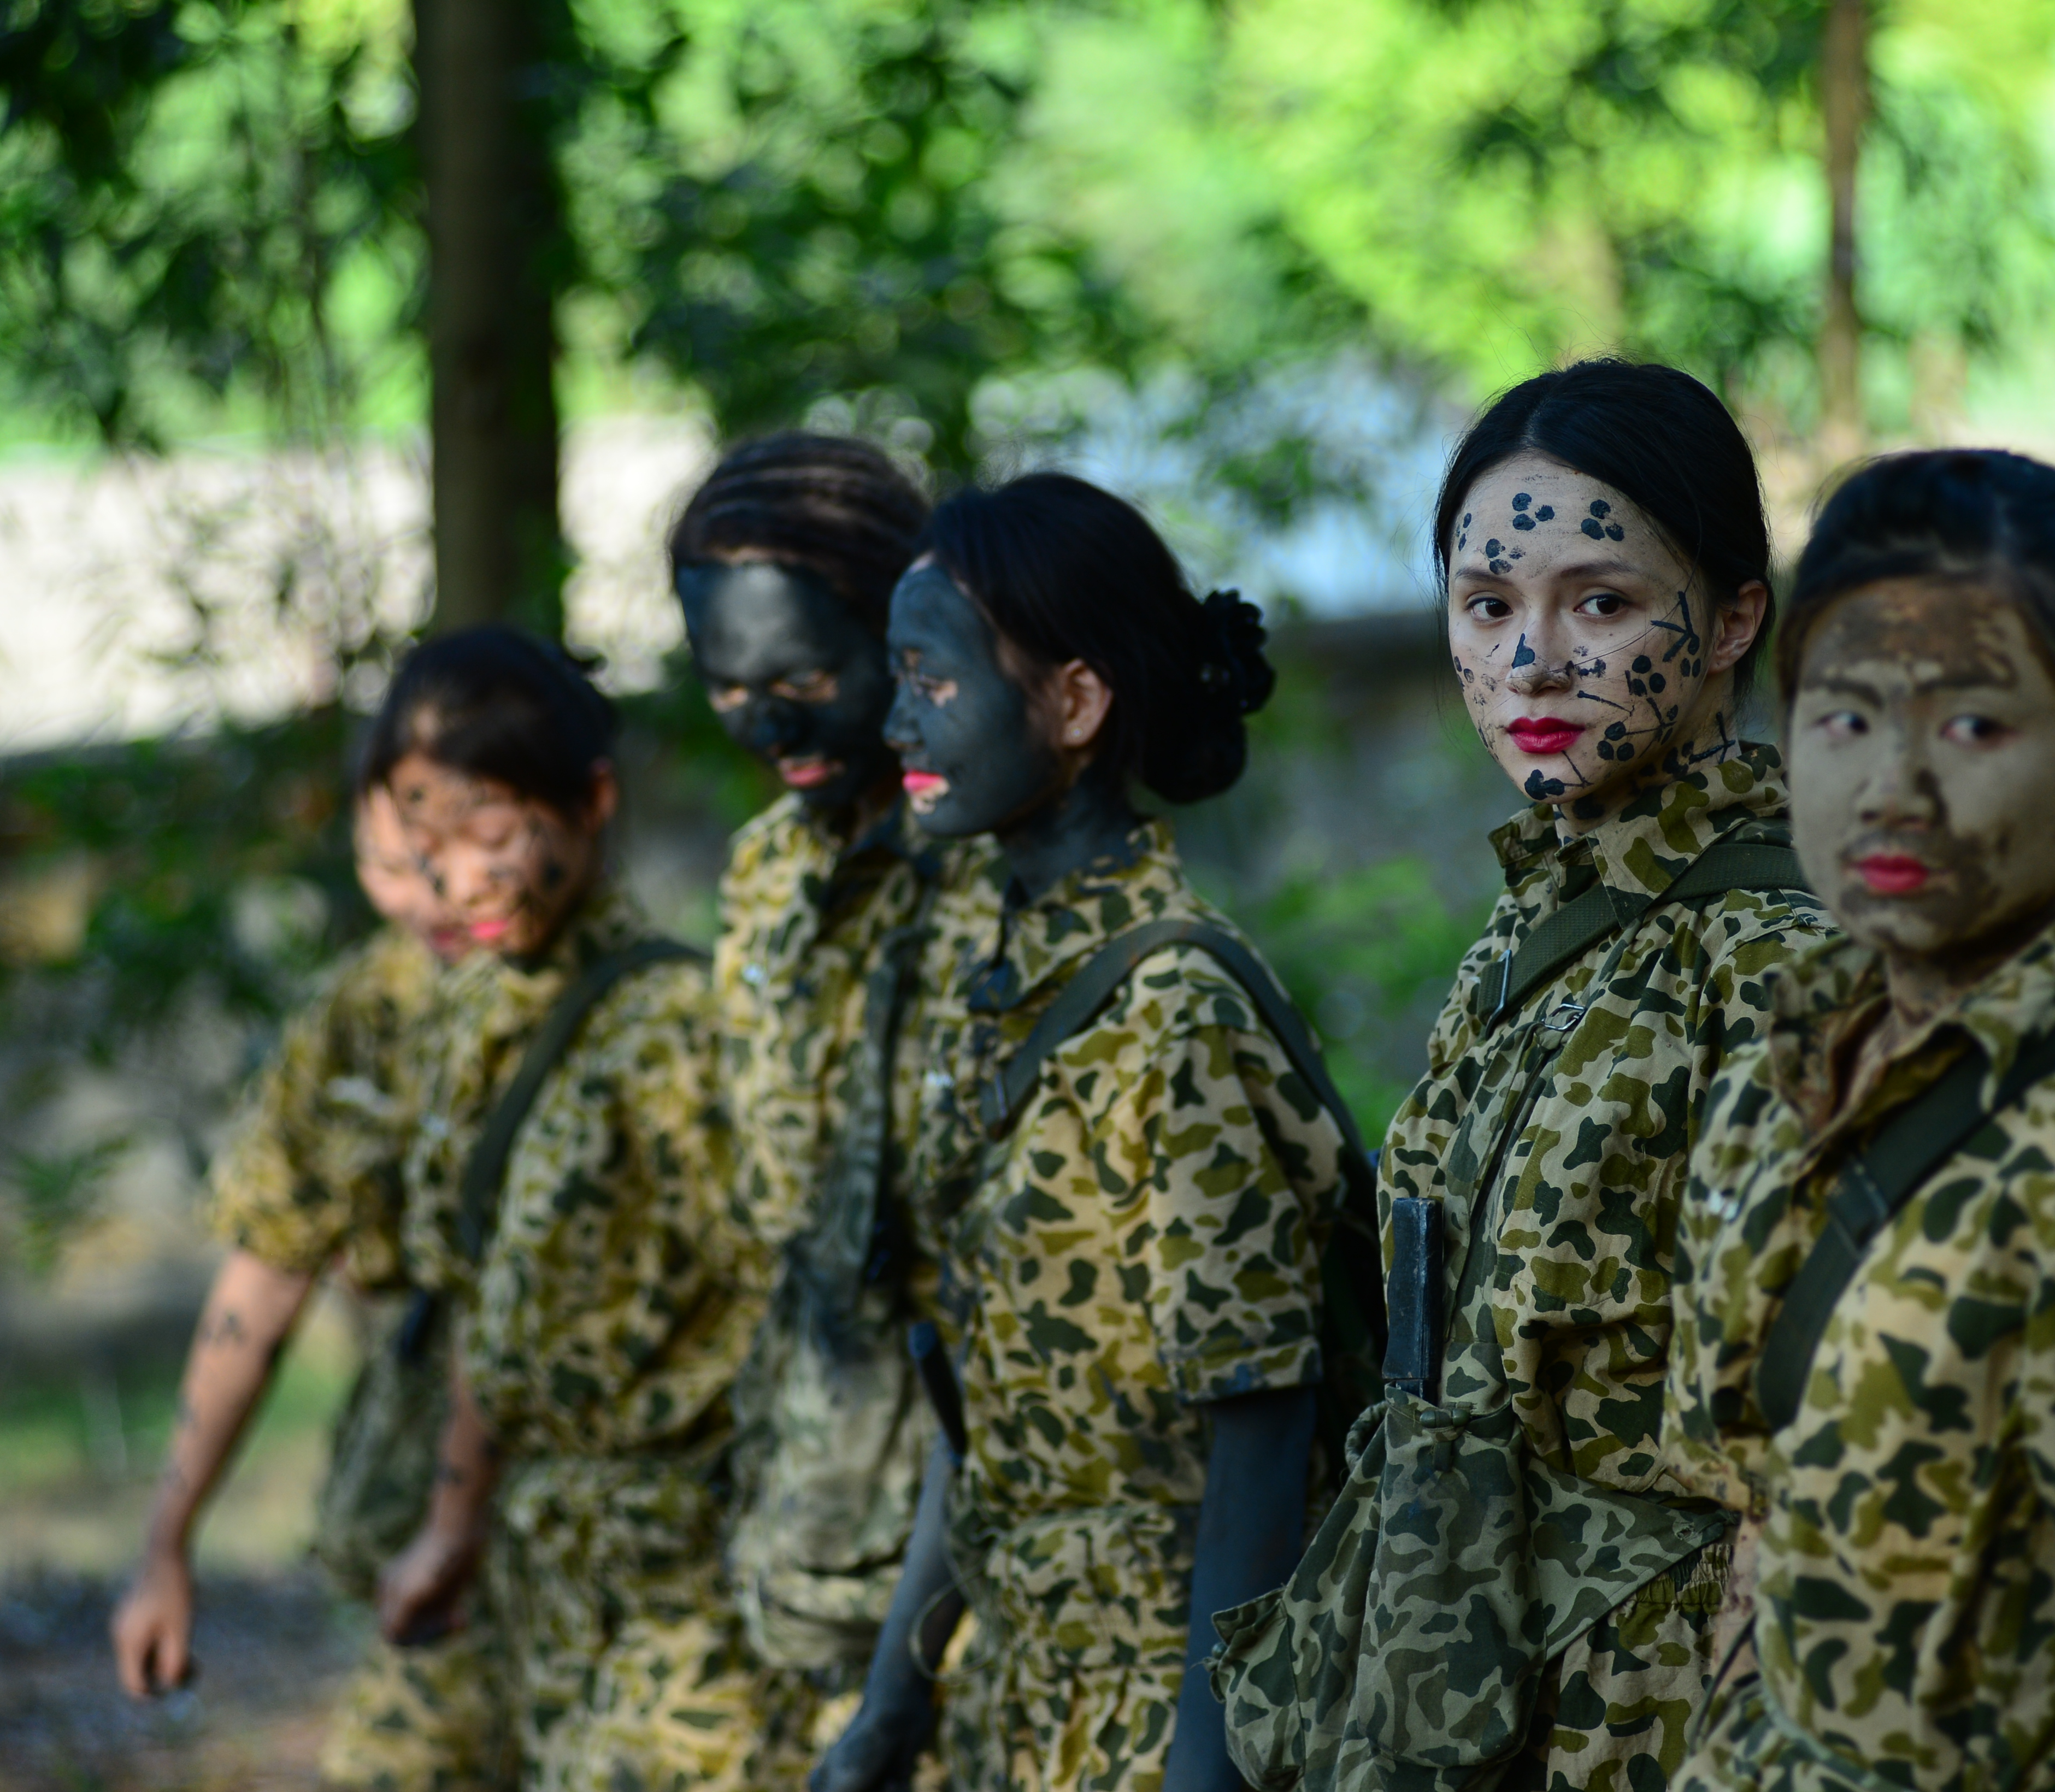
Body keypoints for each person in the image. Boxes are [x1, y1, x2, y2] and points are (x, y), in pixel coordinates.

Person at [1214, 357, 1832, 1792]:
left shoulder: (1773, 958)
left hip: (1652, 1717)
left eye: (1600, 603)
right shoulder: (1538, 924)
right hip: (1453, 1688)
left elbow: (1805, 1465)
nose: (1533, 662)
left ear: (1736, 616)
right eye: (1489, 608)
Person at [1661, 449, 2055, 1792]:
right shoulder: (1786, 1058)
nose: (1893, 785)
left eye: (1974, 727)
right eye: (1844, 719)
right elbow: (1758, 1520)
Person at [814, 473, 1362, 1792]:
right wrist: (893, 1703)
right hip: (1024, 1694)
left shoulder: (1172, 1006)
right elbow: (977, 1412)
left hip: (1161, 1710)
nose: (894, 719)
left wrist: (1205, 1773)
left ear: (1073, 701)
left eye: (930, 678)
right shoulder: (1010, 991)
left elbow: (1263, 1426)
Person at [363, 627, 806, 1792]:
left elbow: (783, 1305)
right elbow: (479, 1307)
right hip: (537, 1583)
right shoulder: (477, 1018)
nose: (456, 881)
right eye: (426, 846)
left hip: (683, 1596)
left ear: (590, 803)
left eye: (491, 833)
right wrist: (453, 1528)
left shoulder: (670, 1028)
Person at [108, 779, 516, 1792]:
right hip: (437, 1546)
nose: (426, 899)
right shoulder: (366, 1014)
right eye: (387, 869)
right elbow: (265, 1277)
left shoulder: (638, 1015)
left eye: (444, 860)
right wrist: (169, 1543)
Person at [669, 433, 982, 1721]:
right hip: (809, 1505)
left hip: (981, 1536)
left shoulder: (987, 862)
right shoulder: (764, 871)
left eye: (806, 673)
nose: (773, 721)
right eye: (730, 687)